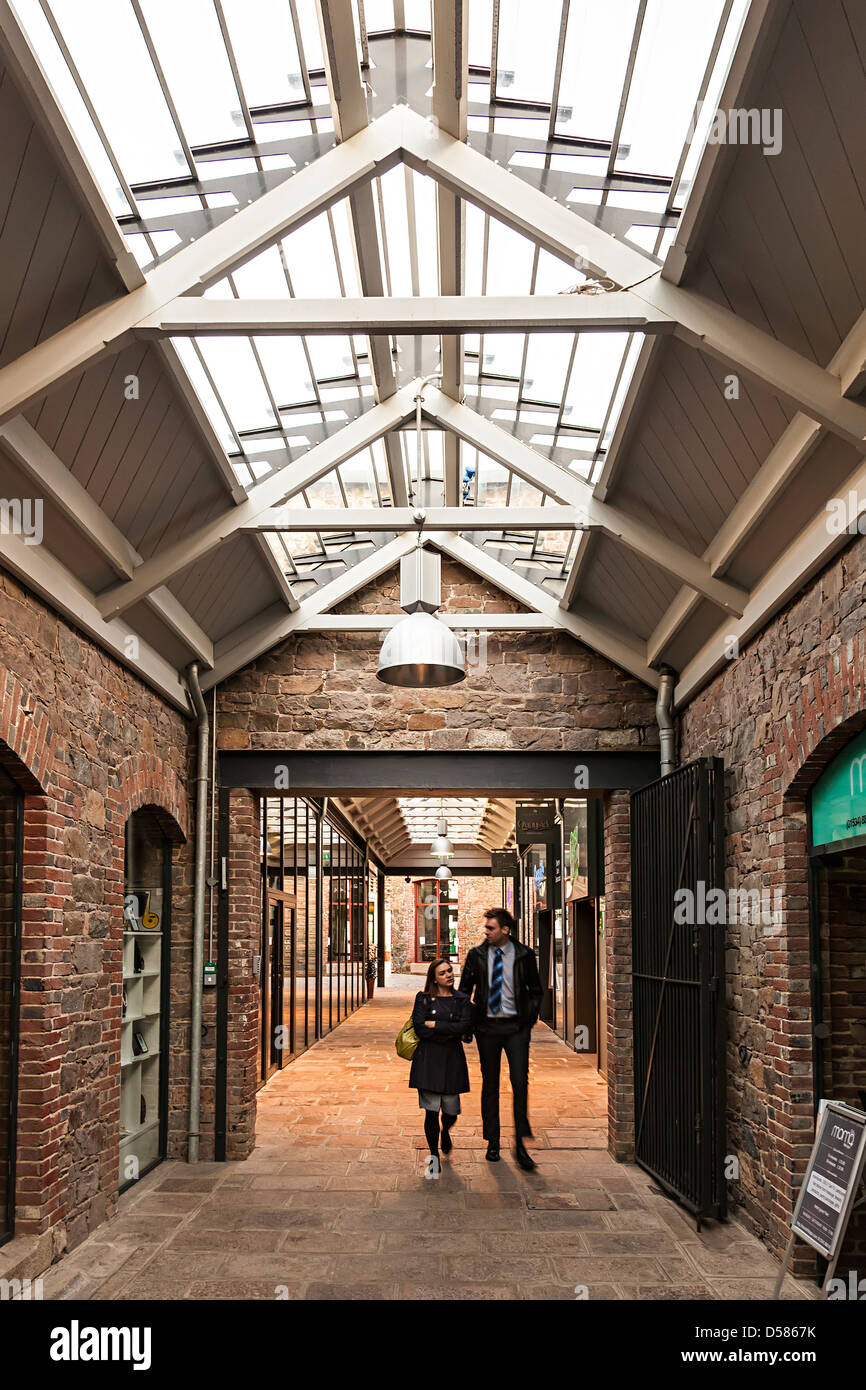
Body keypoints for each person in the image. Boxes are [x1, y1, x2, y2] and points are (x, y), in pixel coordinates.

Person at [459, 908, 542, 1171]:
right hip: (487, 1029)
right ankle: (492, 1141)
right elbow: (464, 991)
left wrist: (527, 1021)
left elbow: (536, 991)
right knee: (490, 1084)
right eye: (486, 927)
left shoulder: (524, 954)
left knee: (520, 1082)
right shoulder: (477, 955)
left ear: (505, 930)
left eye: (491, 928)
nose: (486, 931)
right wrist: (467, 1025)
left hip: (516, 1029)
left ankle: (520, 1144)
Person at [409, 958, 472, 1180]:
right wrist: (449, 1029)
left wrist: (435, 1025)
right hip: (428, 1061)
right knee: (431, 1111)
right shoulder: (423, 999)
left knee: (451, 1110)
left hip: (452, 1060)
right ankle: (434, 1155)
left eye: (450, 971)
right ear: (434, 978)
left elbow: (464, 1027)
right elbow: (418, 1027)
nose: (449, 975)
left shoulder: (462, 1000)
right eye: (443, 972)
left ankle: (446, 1131)